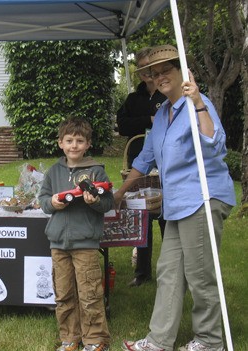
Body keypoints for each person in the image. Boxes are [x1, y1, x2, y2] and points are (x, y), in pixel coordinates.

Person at [114, 45, 236, 351]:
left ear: (182, 72)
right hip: (178, 203)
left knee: (199, 272)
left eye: (165, 71)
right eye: (154, 74)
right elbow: (144, 159)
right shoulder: (163, 115)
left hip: (204, 197)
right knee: (168, 270)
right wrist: (118, 194)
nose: (159, 78)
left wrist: (196, 101)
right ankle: (159, 341)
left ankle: (210, 341)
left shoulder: (198, 103)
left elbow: (214, 143)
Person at [39, 116, 113, 351]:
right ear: (60, 143)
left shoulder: (96, 172)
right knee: (63, 293)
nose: (74, 146)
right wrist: (52, 202)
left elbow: (108, 202)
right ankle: (69, 337)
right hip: (58, 242)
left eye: (79, 141)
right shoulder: (53, 172)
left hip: (85, 242)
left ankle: (94, 339)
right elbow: (43, 200)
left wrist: (94, 201)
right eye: (69, 140)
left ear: (88, 144)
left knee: (90, 292)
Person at [116, 47, 167, 287]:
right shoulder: (133, 99)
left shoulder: (168, 97)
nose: (147, 72)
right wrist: (148, 121)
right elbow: (123, 126)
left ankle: (171, 272)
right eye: (143, 68)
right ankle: (142, 272)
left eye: (151, 67)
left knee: (167, 218)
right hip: (138, 162)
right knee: (141, 218)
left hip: (165, 165)